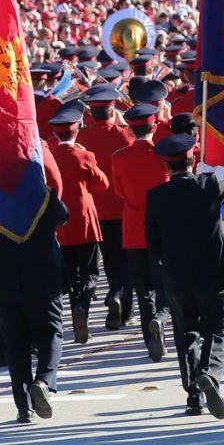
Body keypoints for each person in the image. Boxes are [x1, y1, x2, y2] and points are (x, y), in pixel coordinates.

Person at [145, 134, 224, 420]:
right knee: (217, 330)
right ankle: (211, 375)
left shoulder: (155, 196)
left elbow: (152, 242)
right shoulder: (210, 184)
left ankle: (193, 396)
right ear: (192, 159)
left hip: (177, 276)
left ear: (166, 166)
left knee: (186, 336)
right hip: (212, 273)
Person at [0, 182, 69, 424]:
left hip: (4, 283)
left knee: (15, 344)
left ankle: (24, 407)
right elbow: (64, 215)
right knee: (51, 332)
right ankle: (44, 381)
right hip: (42, 280)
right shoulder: (43, 198)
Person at [111, 103, 171, 361]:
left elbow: (119, 192)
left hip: (134, 229)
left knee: (142, 289)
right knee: (164, 285)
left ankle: (150, 340)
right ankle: (161, 319)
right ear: (154, 126)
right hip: (162, 229)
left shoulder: (119, 157)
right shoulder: (163, 155)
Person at [48, 102, 108, 344]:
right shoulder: (84, 155)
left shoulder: (50, 156)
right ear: (76, 131)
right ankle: (82, 308)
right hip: (85, 221)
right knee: (91, 273)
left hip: (61, 225)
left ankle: (77, 314)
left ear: (55, 133)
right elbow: (102, 184)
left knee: (72, 276)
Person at [78, 88, 135, 331]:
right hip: (123, 207)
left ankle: (114, 293)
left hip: (98, 210)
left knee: (110, 259)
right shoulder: (125, 134)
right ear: (112, 110)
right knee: (127, 259)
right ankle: (121, 302)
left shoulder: (83, 138)